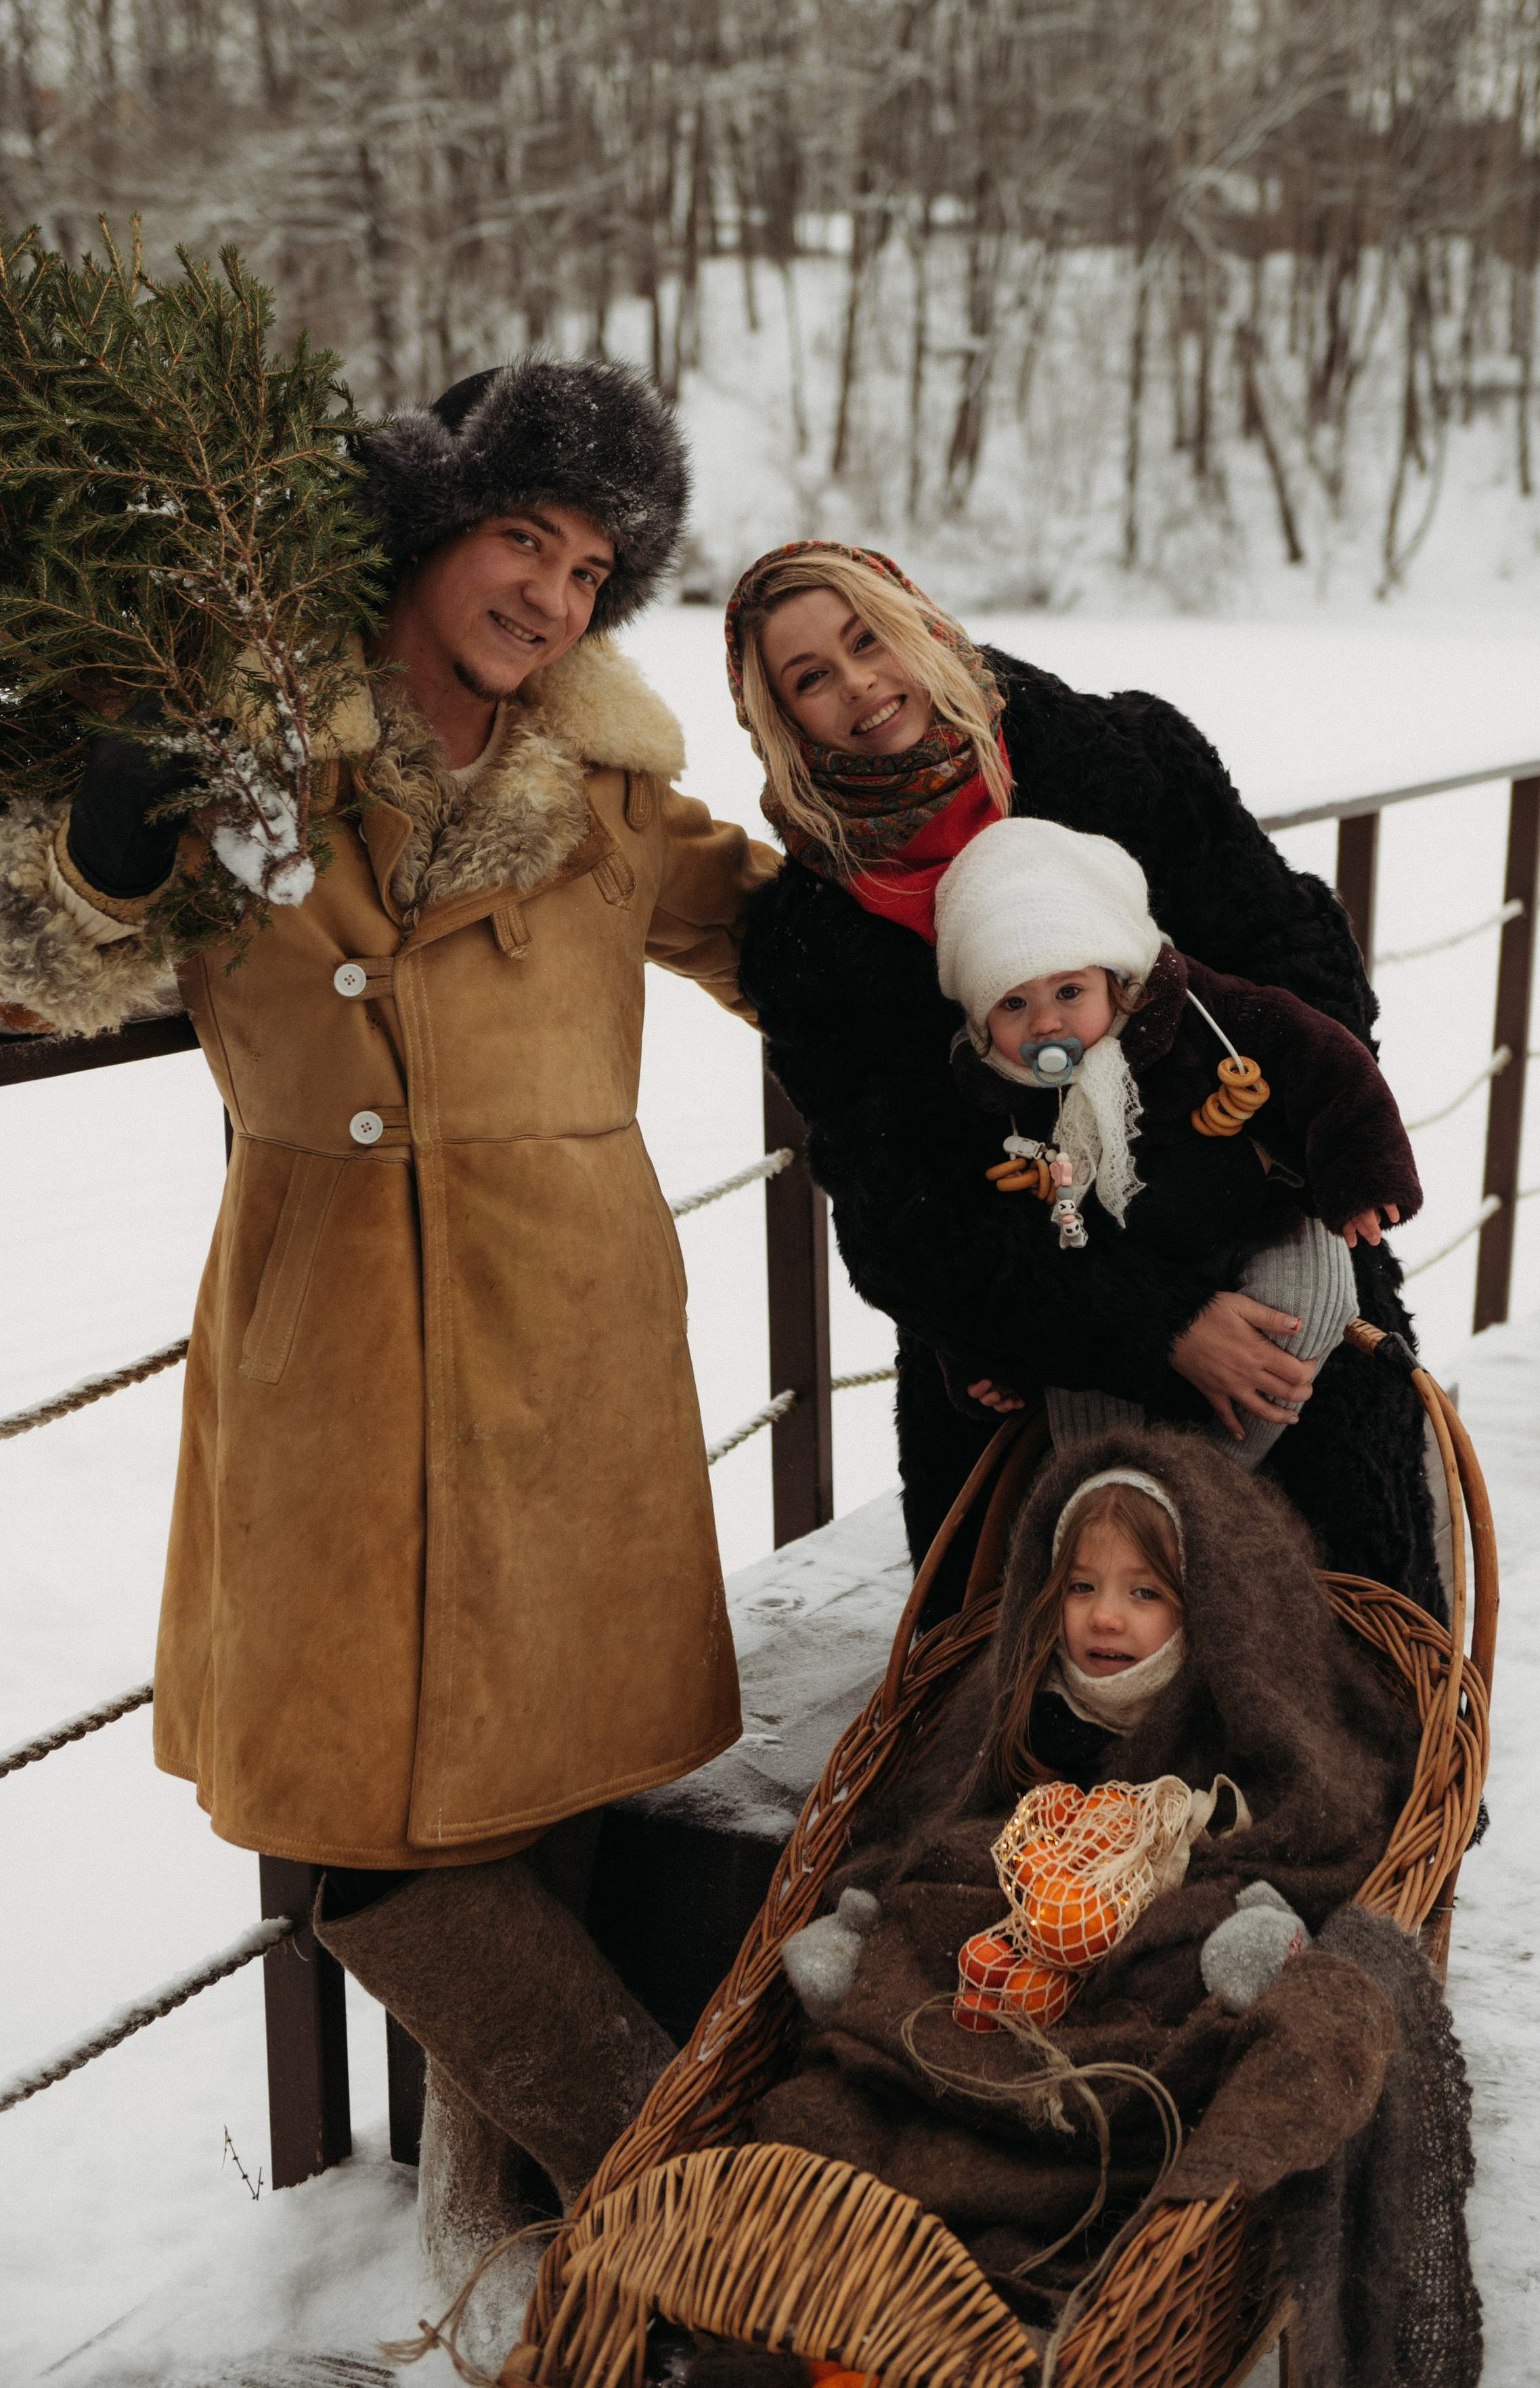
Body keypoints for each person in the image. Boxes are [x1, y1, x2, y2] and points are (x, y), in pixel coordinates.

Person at [0, 359, 778, 2288]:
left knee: (547, 1778)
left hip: (570, 1329)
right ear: (431, 523)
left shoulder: (606, 787)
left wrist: (1029, 954)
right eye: (525, 537)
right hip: (332, 1330)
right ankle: (695, 2217)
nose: (551, 596)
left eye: (592, 570)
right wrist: (105, 843)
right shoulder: (245, 742)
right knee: (365, 1829)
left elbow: (792, 945)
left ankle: (511, 2244)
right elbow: (49, 971)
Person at [723, 541, 1439, 1615]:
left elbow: (1300, 963)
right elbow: (900, 1216)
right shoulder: (812, 934)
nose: (859, 683)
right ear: (782, 721)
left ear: (922, 626)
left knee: (1344, 1639)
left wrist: (1252, 1185)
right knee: (1046, 1672)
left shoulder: (1127, 763)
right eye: (810, 676)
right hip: (1031, 1332)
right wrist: (1159, 1321)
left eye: (869, 639)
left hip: (1275, 1257)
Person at [724, 1425, 1478, 2378]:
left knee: (1175, 2042)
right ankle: (841, 2264)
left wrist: (1241, 1915)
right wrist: (876, 1912)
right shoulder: (1024, 1707)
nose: (1104, 1618)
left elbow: (1306, 1840)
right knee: (850, 2069)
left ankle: (1006, 2262)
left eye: (1144, 1593)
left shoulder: (1228, 1722)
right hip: (988, 1988)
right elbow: (935, 1827)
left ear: (1208, 1606)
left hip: (1117, 2025)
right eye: (1081, 1587)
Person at [932, 814, 1422, 1467]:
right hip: (1113, 1270)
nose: (1046, 1023)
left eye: (1069, 991)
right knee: (1081, 1367)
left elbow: (1320, 1060)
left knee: (1312, 1299)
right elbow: (970, 1235)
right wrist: (977, 1357)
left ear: (1117, 978)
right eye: (1013, 1004)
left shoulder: (1195, 1011)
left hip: (1255, 1216)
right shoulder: (992, 1095)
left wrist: (1362, 1172)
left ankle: (1205, 1483)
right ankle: (1115, 1495)